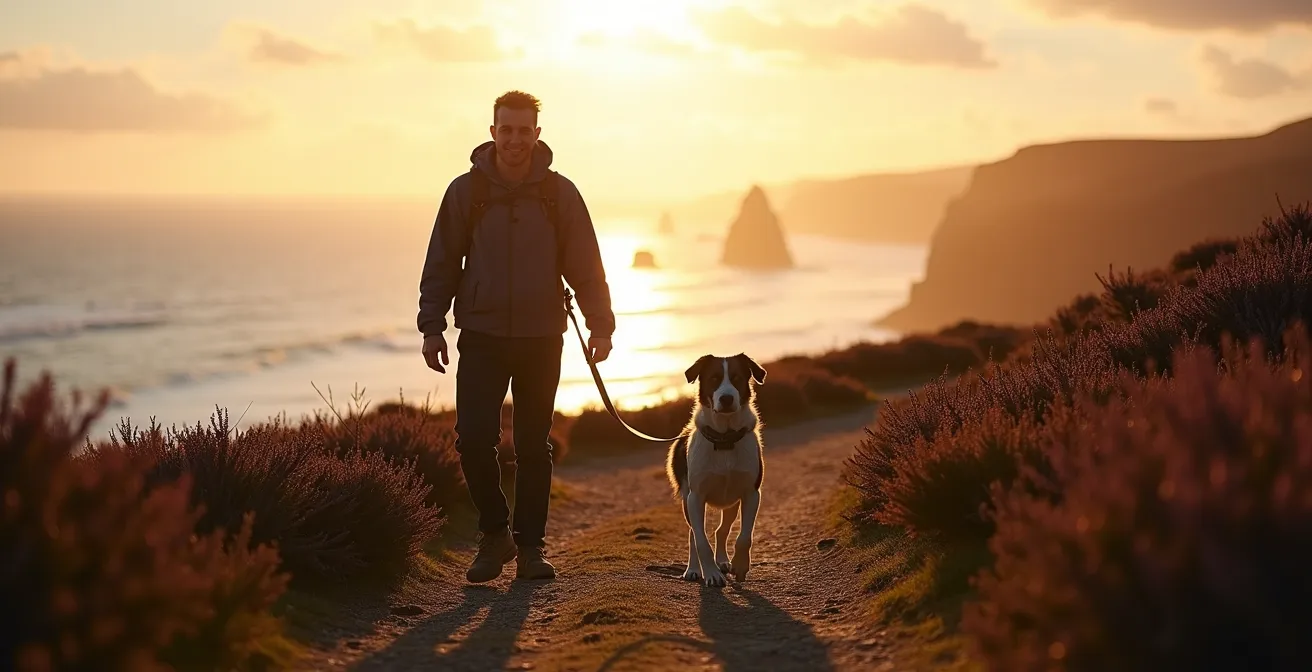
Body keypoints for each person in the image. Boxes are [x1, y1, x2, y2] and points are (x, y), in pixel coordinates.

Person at [418, 90, 616, 583]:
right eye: (505, 129)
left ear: (537, 134)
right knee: (472, 441)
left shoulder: (559, 193)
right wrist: (431, 326)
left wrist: (601, 324)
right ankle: (495, 535)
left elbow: (585, 263)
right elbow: (441, 262)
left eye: (523, 130)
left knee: (532, 448)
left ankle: (530, 549)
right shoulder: (465, 192)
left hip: (542, 336)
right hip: (481, 335)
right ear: (492, 132)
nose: (514, 139)